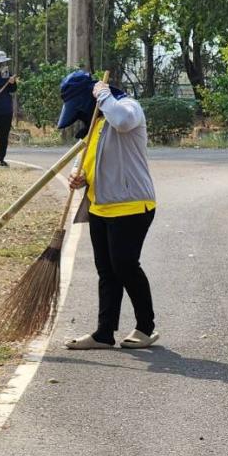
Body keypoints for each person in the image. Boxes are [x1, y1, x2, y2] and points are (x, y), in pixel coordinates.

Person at [58, 70, 161, 351]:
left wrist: (103, 93)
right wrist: (77, 176)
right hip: (100, 207)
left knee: (125, 265)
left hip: (132, 206)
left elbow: (123, 121)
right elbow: (86, 161)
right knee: (106, 270)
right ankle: (104, 333)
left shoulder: (127, 107)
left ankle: (145, 328)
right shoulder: (95, 125)